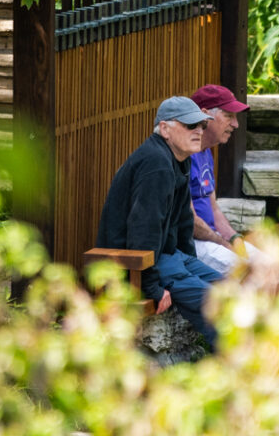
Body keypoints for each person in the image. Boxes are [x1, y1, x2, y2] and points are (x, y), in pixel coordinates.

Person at [95, 96, 227, 354]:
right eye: (191, 126)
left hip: (168, 255)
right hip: (137, 262)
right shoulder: (155, 164)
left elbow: (182, 220)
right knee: (217, 305)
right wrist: (152, 286)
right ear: (165, 129)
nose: (199, 131)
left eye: (201, 125)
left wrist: (191, 263)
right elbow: (143, 230)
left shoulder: (179, 158)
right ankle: (232, 366)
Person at [186, 83, 250, 275]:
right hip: (194, 243)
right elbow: (189, 220)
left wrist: (234, 238)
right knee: (250, 272)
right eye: (229, 116)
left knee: (272, 267)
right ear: (206, 115)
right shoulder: (184, 155)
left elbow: (213, 209)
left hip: (214, 238)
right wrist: (223, 243)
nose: (236, 124)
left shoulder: (206, 153)